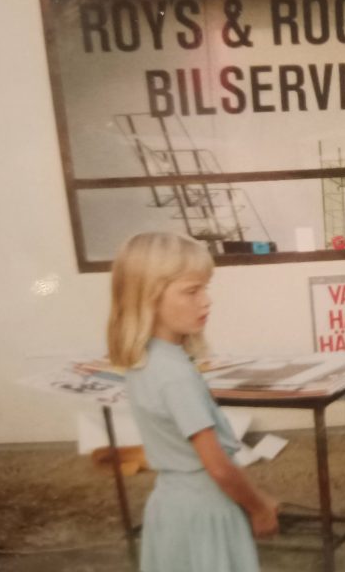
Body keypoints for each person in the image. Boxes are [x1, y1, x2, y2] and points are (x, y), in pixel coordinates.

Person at [107, 232, 279, 572]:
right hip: (206, 512)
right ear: (150, 297)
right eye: (192, 291)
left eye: (205, 288)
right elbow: (218, 467)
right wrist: (259, 506)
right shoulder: (175, 375)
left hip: (172, 507)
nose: (206, 301)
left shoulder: (148, 360)